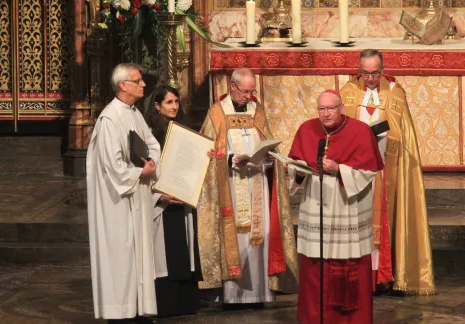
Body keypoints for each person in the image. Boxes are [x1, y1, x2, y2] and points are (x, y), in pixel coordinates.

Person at [198, 67, 298, 306]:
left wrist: (267, 156)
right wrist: (230, 157)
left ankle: (261, 293)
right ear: (232, 87)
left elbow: (269, 145)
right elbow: (206, 151)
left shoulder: (258, 111)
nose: (249, 96)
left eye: (252, 91)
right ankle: (233, 296)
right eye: (245, 91)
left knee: (260, 235)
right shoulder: (217, 114)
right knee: (235, 236)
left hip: (258, 184)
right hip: (229, 186)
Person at [339, 49, 435, 295]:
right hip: (356, 172)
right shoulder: (348, 93)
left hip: (386, 169)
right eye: (365, 73)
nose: (370, 78)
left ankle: (385, 276)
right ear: (359, 69)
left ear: (383, 69)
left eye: (375, 72)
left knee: (386, 219)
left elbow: (404, 136)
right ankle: (358, 276)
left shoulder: (395, 93)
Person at [289, 90, 383, 324]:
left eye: (331, 108)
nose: (326, 113)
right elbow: (296, 163)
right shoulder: (306, 129)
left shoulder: (360, 131)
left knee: (347, 265)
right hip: (316, 203)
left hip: (346, 208)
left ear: (341, 108)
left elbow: (369, 172)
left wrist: (338, 169)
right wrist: (295, 170)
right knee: (315, 266)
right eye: (321, 109)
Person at [86, 63, 160, 323]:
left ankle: (138, 309)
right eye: (138, 81)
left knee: (137, 253)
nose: (143, 85)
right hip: (118, 201)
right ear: (123, 85)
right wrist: (142, 172)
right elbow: (112, 165)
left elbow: (151, 143)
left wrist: (151, 163)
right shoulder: (109, 119)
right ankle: (120, 312)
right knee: (121, 255)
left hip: (136, 194)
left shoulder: (133, 112)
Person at [144, 85, 203, 317]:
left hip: (183, 198)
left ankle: (185, 302)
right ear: (157, 105)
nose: (174, 107)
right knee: (164, 253)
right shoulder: (149, 135)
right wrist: (159, 195)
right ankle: (165, 303)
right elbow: (143, 168)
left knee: (183, 249)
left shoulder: (184, 130)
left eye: (176, 102)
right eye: (169, 102)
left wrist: (202, 156)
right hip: (162, 201)